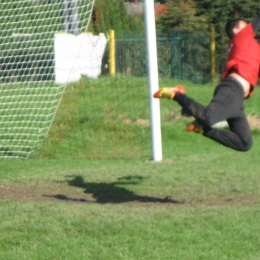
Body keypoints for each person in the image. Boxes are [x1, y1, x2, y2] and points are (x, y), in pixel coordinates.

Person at [154, 15, 260, 151]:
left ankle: (203, 129)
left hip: (237, 98)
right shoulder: (241, 37)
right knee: (207, 116)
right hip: (231, 90)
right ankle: (177, 94)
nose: (249, 29)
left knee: (244, 143)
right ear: (236, 30)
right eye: (245, 27)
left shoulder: (249, 47)